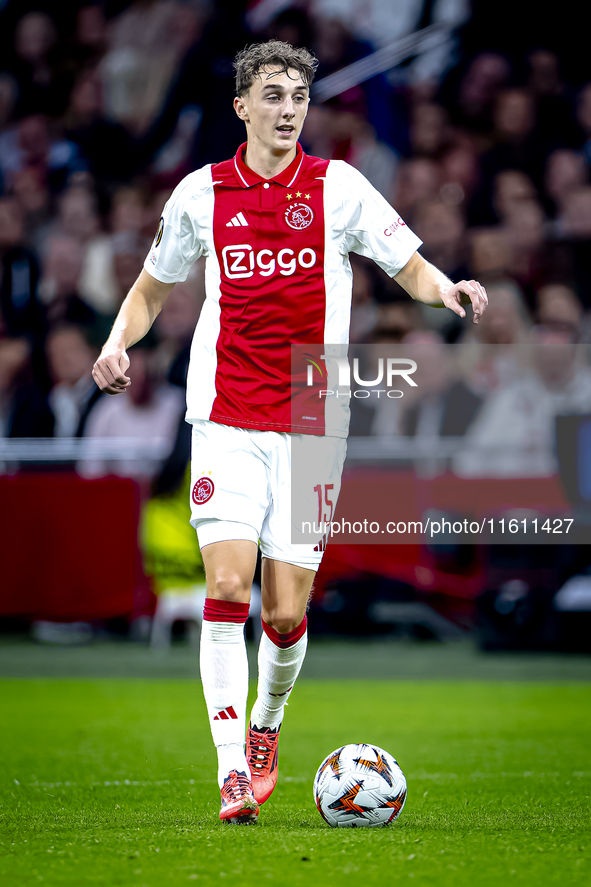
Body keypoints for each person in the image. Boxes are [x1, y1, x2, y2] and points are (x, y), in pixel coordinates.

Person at [92, 40, 488, 825]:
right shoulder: (201, 195)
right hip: (225, 416)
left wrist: (444, 288)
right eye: (271, 95)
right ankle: (231, 767)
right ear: (241, 106)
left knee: (281, 612)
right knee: (227, 588)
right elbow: (148, 290)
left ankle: (267, 723)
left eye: (297, 97)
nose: (286, 110)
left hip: (312, 421)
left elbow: (402, 258)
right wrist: (115, 342)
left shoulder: (337, 187)